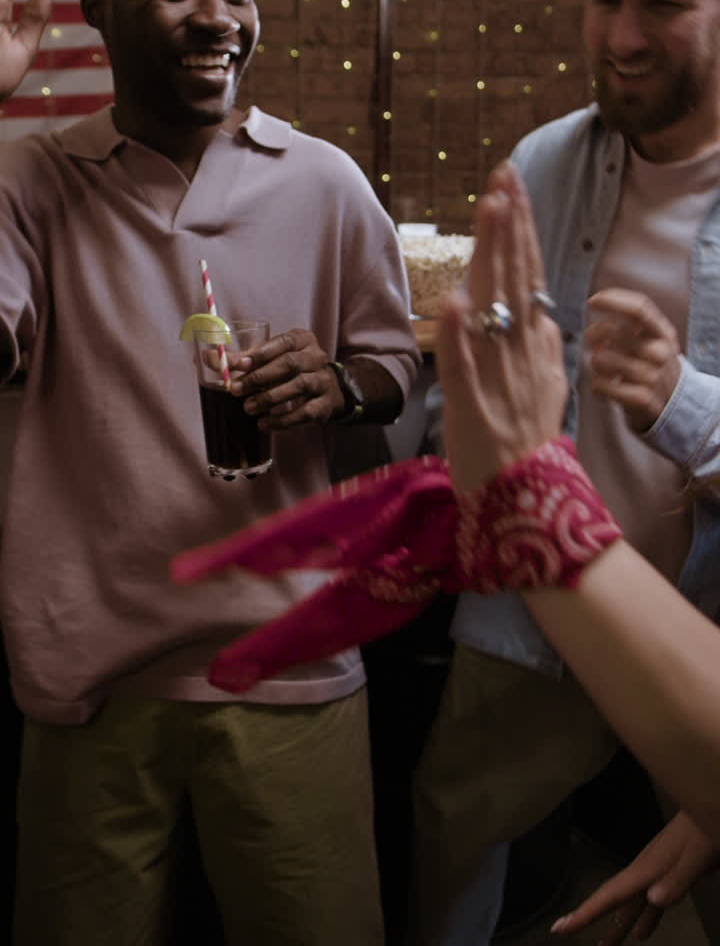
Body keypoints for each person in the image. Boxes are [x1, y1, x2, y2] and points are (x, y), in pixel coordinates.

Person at [0, 0, 420, 946]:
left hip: (293, 662)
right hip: (92, 671)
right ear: (95, 4)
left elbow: (392, 362)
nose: (219, 17)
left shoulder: (325, 182)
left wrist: (345, 381)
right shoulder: (29, 182)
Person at [174, 159, 720, 944]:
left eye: (665, 21)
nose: (626, 34)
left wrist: (538, 497)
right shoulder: (549, 161)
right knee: (455, 820)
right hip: (546, 633)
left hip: (686, 603)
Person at [410, 0, 720, 946]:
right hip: (531, 614)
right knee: (452, 844)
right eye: (604, 0)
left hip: (702, 637)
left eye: (663, 5)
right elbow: (483, 385)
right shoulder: (542, 161)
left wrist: (681, 399)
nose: (623, 36)